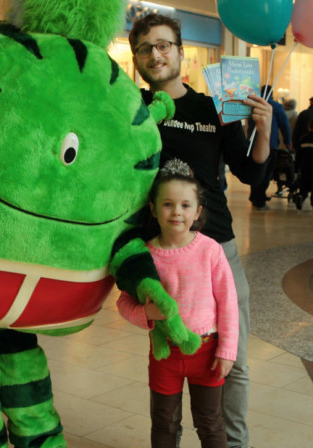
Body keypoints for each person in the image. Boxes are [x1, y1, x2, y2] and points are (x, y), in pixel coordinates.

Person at [129, 13, 271, 448]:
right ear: (136, 58)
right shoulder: (129, 112)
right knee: (170, 358)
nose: (157, 54)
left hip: (217, 248)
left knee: (234, 358)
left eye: (164, 44)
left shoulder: (212, 108)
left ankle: (233, 443)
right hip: (161, 252)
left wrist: (263, 131)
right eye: (146, 47)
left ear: (180, 52)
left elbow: (251, 174)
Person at [117, 159, 238, 448]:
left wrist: (227, 349)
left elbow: (228, 302)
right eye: (168, 204)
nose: (177, 212)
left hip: (207, 351)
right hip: (164, 355)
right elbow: (123, 302)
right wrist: (144, 313)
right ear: (153, 209)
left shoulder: (210, 250)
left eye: (185, 205)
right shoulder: (143, 257)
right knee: (164, 421)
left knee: (210, 422)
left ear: (197, 211)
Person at [248, 85, 291, 210]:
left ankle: (255, 196)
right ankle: (259, 200)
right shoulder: (275, 107)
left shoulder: (254, 105)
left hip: (252, 143)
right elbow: (284, 124)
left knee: (254, 170)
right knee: (266, 173)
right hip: (269, 144)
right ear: (272, 93)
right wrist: (288, 141)